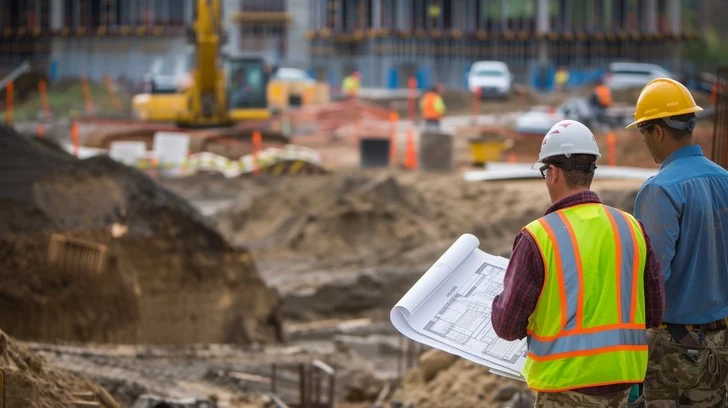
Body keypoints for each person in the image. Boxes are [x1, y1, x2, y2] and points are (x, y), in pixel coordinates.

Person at [491, 119, 665, 408]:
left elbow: (507, 326)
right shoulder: (631, 227)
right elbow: (655, 311)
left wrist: (499, 300)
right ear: (591, 171)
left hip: (564, 393)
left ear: (553, 173)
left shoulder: (538, 237)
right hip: (624, 391)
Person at [627, 77, 728, 407]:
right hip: (721, 338)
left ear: (657, 131)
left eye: (644, 132)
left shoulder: (661, 190)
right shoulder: (724, 180)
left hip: (678, 345)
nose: (645, 141)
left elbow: (650, 278)